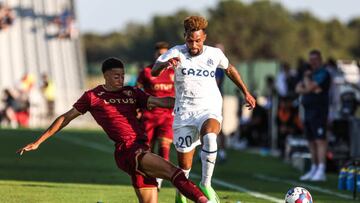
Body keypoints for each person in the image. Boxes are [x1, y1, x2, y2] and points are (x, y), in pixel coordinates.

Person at [17, 58, 210, 203]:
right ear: (106, 76)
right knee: (174, 172)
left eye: (123, 75)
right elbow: (65, 117)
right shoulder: (93, 96)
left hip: (141, 148)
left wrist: (189, 103)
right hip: (129, 150)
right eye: (116, 76)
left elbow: (160, 102)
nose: (121, 79)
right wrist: (38, 142)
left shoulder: (131, 92)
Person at [151, 16, 256, 202]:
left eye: (197, 41)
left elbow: (230, 69)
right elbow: (154, 70)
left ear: (204, 37)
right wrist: (165, 64)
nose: (193, 45)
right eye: (190, 40)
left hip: (209, 109)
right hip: (184, 114)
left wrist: (246, 92)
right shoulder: (176, 52)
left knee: (210, 137)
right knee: (184, 168)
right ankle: (181, 191)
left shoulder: (214, 54)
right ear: (185, 37)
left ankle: (206, 184)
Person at [137, 41, 175, 189]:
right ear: (155, 55)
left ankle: (159, 180)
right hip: (149, 116)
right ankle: (148, 176)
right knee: (147, 149)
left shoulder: (173, 72)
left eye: (164, 54)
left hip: (167, 116)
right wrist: (137, 110)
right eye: (159, 54)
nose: (162, 56)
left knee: (164, 147)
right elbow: (138, 91)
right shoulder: (146, 71)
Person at [296, 50, 331, 181]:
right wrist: (308, 88)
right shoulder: (312, 74)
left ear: (320, 59)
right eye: (311, 59)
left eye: (315, 59)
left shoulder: (323, 73)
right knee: (311, 141)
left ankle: (321, 169)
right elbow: (298, 88)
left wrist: (307, 82)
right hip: (308, 111)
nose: (312, 62)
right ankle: (314, 167)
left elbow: (309, 87)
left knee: (320, 140)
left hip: (319, 111)